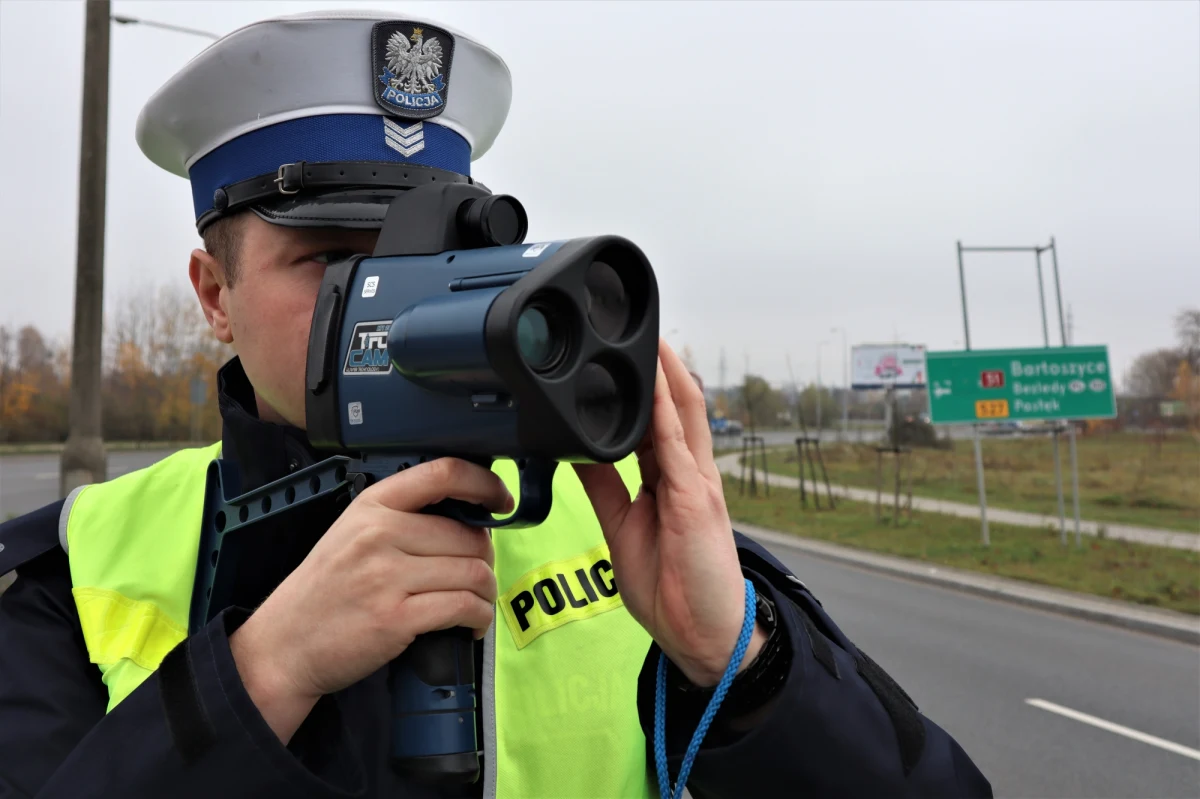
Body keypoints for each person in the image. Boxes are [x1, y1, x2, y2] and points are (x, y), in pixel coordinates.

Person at [0, 10, 991, 799]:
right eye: (333, 260)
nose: (391, 304)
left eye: (434, 258)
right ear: (215, 294)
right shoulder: (78, 574)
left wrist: (738, 658)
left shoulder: (616, 524)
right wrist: (263, 672)